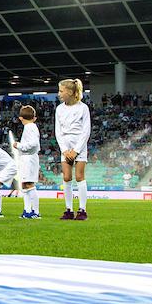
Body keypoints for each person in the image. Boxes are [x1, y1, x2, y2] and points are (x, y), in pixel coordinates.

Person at [56, 78, 92, 220]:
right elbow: (58, 131)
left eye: (61, 91)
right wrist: (65, 150)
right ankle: (68, 209)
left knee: (79, 177)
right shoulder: (59, 109)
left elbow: (86, 131)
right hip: (65, 144)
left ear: (70, 92)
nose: (59, 94)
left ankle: (82, 210)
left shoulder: (83, 108)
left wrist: (76, 150)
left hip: (79, 145)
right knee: (66, 177)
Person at [13, 105, 41, 218]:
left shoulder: (30, 127)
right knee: (25, 184)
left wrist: (19, 145)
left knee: (29, 184)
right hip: (27, 159)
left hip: (29, 158)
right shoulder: (31, 127)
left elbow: (33, 144)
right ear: (34, 117)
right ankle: (27, 210)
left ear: (20, 118)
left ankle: (35, 211)